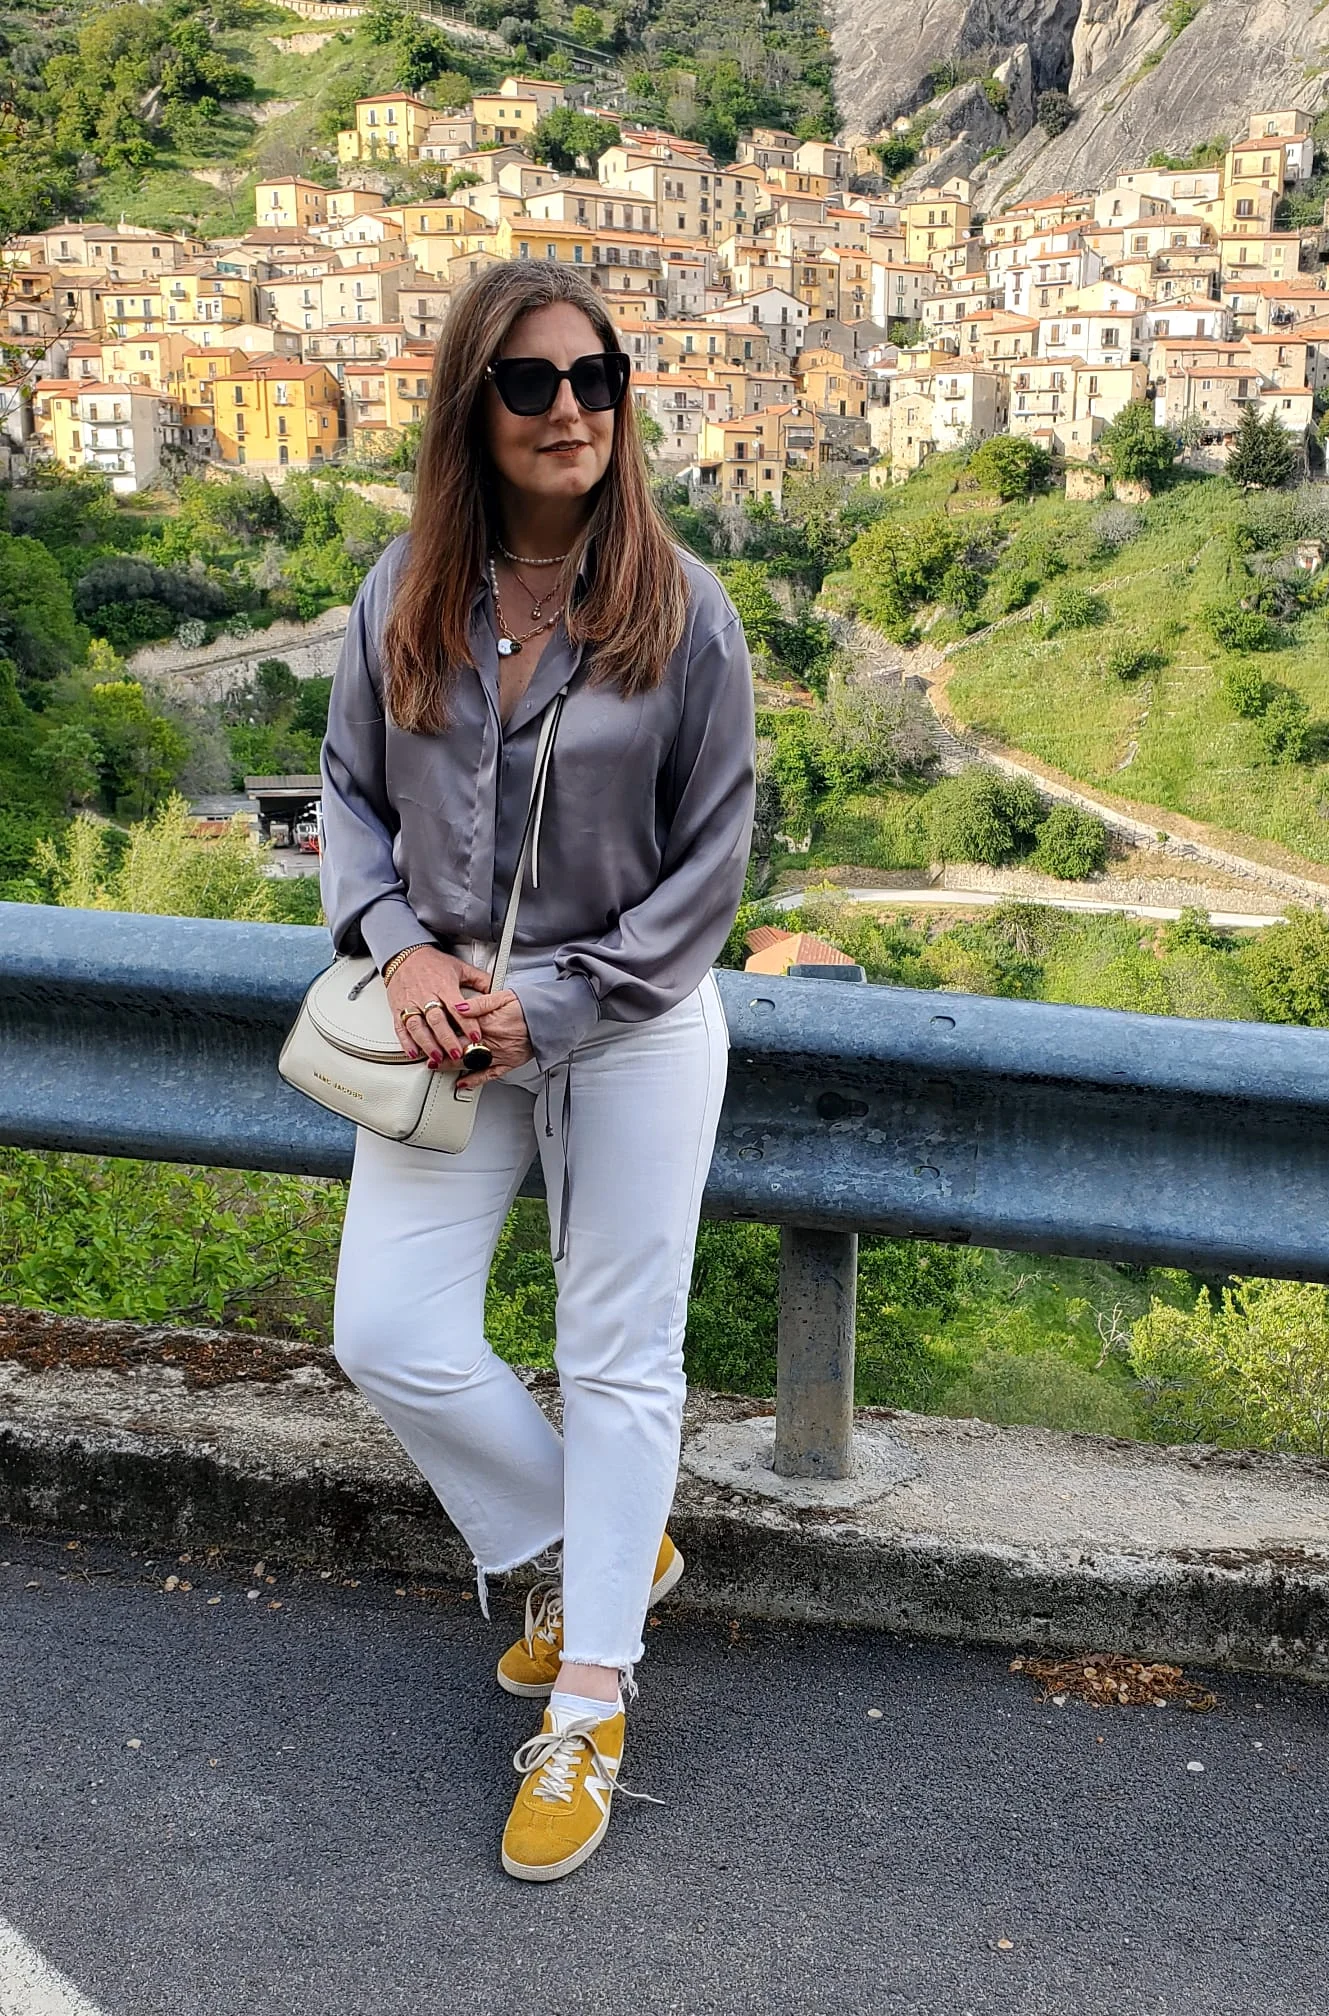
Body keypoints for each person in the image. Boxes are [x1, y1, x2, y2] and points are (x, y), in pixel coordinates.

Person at [318, 260, 756, 1882]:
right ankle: (604, 1545)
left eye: (596, 376)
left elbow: (709, 872)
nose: (570, 407)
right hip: (446, 1021)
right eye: (529, 381)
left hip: (630, 1021)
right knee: (388, 1330)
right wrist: (399, 947)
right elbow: (348, 794)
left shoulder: (685, 612)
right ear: (472, 409)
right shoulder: (406, 590)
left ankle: (588, 1699)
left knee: (617, 1358)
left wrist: (558, 1001)